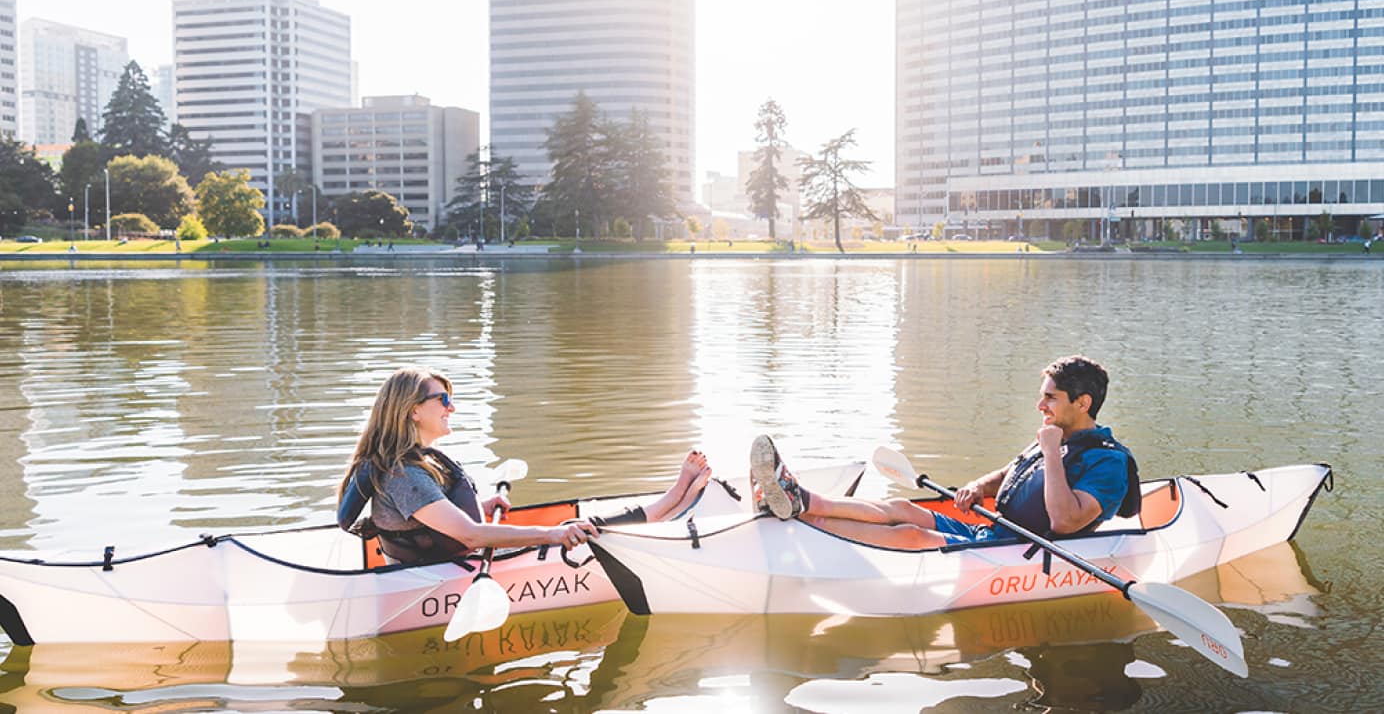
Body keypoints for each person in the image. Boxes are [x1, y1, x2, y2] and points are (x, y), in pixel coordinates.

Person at [750, 355, 1139, 549]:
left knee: (911, 534)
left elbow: (1066, 522)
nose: (1041, 408)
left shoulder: (1109, 463)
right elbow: (1011, 473)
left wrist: (1052, 455)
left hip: (1018, 548)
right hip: (991, 529)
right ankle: (800, 499)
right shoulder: (1055, 435)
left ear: (1083, 402)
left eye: (1050, 399)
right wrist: (975, 486)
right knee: (902, 508)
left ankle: (804, 527)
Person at [337, 366, 712, 563]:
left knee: (567, 526)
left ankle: (668, 504)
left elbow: (425, 520)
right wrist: (550, 536)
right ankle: (668, 505)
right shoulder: (405, 474)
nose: (452, 407)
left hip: (440, 559)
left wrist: (481, 509)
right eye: (444, 399)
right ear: (414, 411)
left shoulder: (406, 466)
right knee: (569, 528)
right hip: (438, 574)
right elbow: (470, 536)